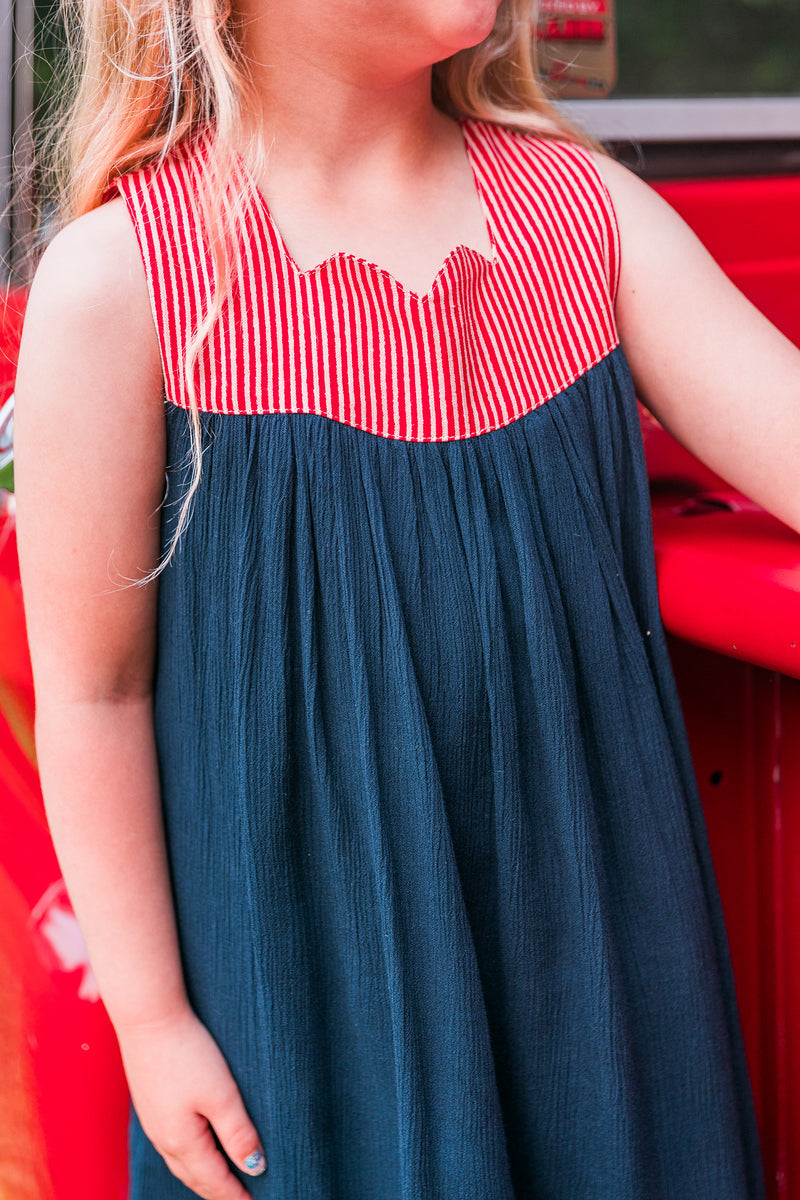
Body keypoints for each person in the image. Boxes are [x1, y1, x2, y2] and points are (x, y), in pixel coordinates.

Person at [11, 0, 799, 1196]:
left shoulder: (585, 218)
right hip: (299, 992)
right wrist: (155, 1021)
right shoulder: (124, 283)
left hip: (596, 980)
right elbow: (93, 690)